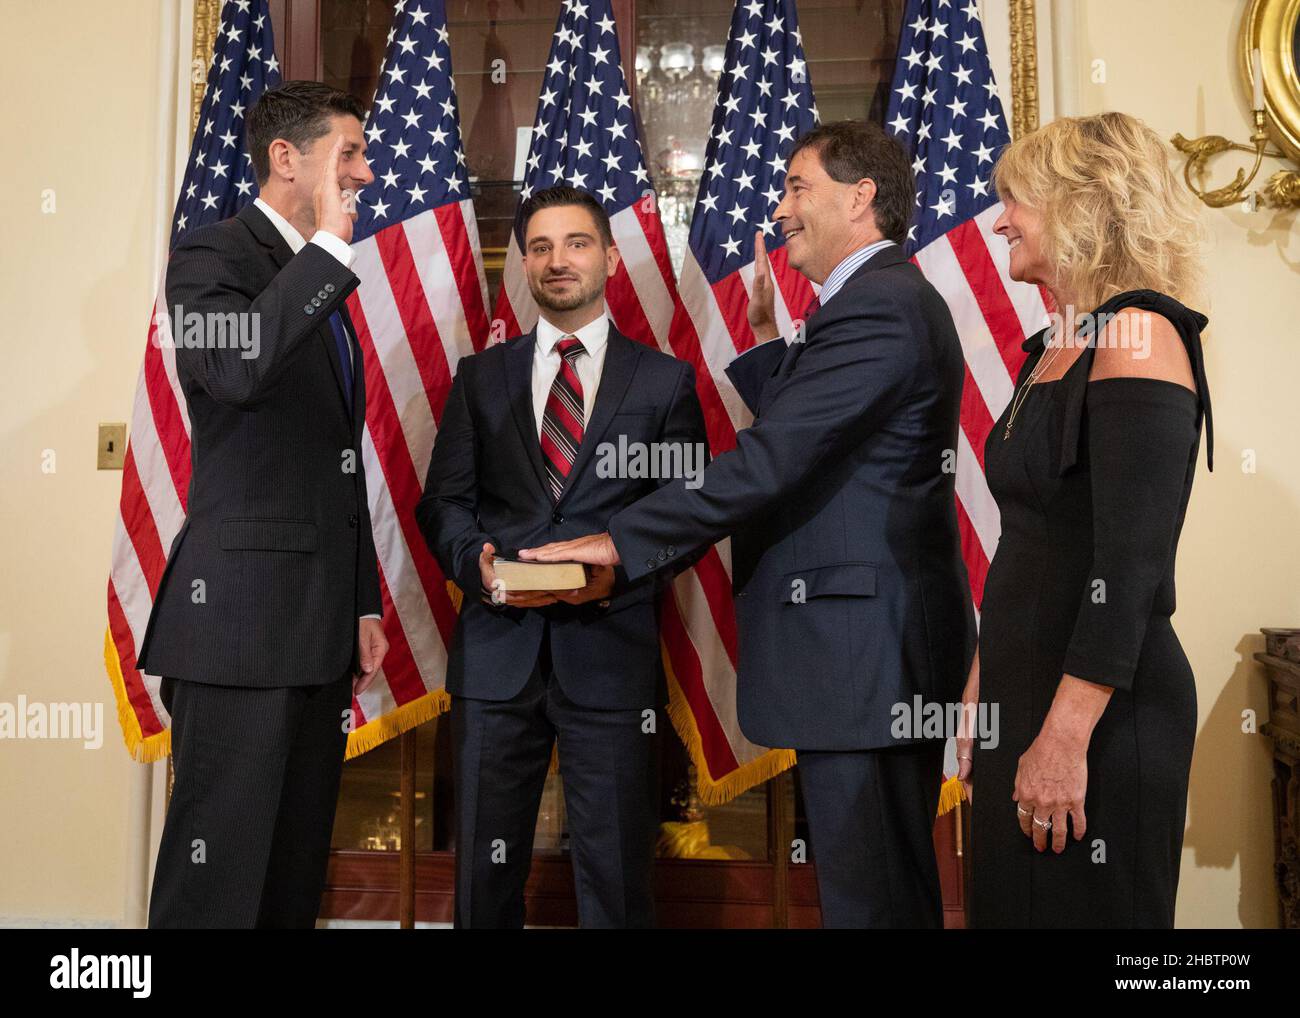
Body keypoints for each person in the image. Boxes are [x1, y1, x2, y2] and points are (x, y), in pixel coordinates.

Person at [520, 122, 974, 928]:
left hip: (865, 657)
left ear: (860, 196)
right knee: (879, 890)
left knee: (871, 898)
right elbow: (829, 437)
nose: (783, 206)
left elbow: (771, 462)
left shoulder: (880, 305)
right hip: (868, 656)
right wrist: (771, 344)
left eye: (799, 186)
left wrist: (620, 540)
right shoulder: (871, 303)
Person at [415, 186, 708, 928]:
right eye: (540, 247)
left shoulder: (664, 381)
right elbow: (442, 502)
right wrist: (473, 563)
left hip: (608, 654)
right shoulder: (480, 377)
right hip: (496, 655)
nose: (557, 261)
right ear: (524, 264)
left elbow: (689, 513)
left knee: (614, 877)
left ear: (609, 256)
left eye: (576, 243)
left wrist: (617, 572)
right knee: (484, 881)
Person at [136, 81, 387, 928]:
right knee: (218, 883)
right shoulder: (213, 256)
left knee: (287, 879)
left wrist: (361, 601)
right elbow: (236, 370)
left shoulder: (322, 273)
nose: (364, 169)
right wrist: (324, 251)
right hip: (237, 626)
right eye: (347, 152)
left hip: (318, 632)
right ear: (288, 158)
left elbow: (337, 464)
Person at [957, 111, 1212, 927]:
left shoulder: (1139, 334)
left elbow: (1129, 568)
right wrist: (979, 689)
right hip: (1022, 698)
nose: (1001, 219)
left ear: (1084, 203)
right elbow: (1028, 539)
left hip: (1100, 716)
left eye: (1016, 199)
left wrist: (1064, 739)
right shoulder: (1054, 345)